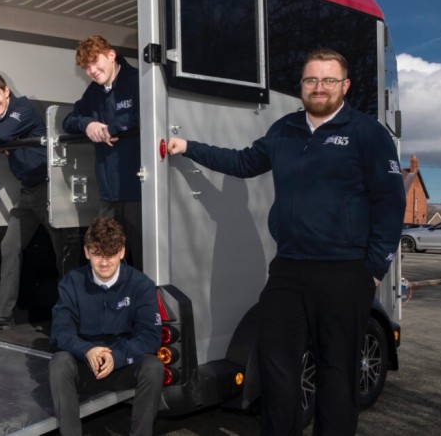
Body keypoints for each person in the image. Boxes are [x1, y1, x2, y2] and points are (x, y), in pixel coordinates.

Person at [167, 48, 406, 434]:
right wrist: (189, 147)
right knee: (276, 366)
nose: (319, 87)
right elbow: (244, 162)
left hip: (345, 271)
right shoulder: (285, 130)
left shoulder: (368, 133)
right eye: (311, 79)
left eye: (328, 80)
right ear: (301, 85)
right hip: (289, 269)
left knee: (337, 372)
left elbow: (391, 203)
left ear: (345, 85)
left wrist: (374, 269)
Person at [0, 71, 60, 332]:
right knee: (9, 247)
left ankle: (70, 316)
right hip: (27, 192)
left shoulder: (23, 108)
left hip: (48, 189)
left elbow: (3, 134)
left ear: (6, 91)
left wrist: (4, 139)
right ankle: (4, 316)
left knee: (62, 252)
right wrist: (1, 137)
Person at [49, 217, 162, 436]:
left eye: (110, 254)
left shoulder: (141, 285)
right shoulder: (71, 283)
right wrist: (86, 350)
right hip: (85, 363)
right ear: (86, 252)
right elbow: (60, 332)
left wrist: (118, 357)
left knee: (153, 366)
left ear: (122, 252)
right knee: (59, 363)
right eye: (97, 254)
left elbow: (150, 336)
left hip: (123, 364)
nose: (104, 262)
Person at [63, 35, 143, 269]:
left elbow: (145, 114)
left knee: (142, 260)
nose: (92, 71)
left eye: (95, 62)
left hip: (137, 192)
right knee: (105, 259)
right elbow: (69, 120)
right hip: (108, 194)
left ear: (111, 55)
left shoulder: (138, 81)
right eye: (86, 67)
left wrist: (112, 127)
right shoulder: (94, 92)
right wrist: (88, 124)